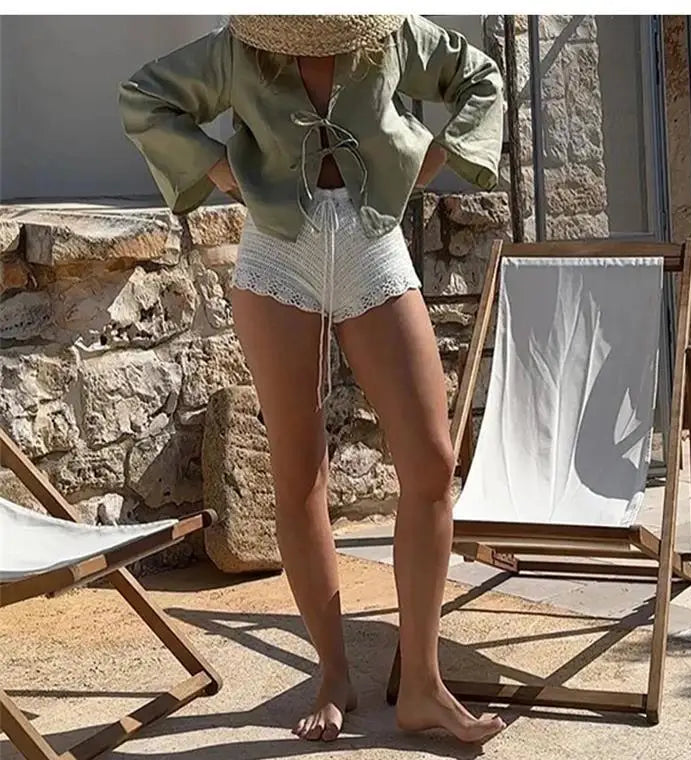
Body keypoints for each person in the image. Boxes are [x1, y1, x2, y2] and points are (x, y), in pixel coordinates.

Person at [119, 14, 505, 744]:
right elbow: (144, 95)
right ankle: (333, 675)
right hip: (276, 258)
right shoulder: (238, 49)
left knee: (430, 464)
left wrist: (439, 151)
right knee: (298, 475)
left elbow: (480, 77)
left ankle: (422, 684)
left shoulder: (393, 37)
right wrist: (221, 169)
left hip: (373, 245)